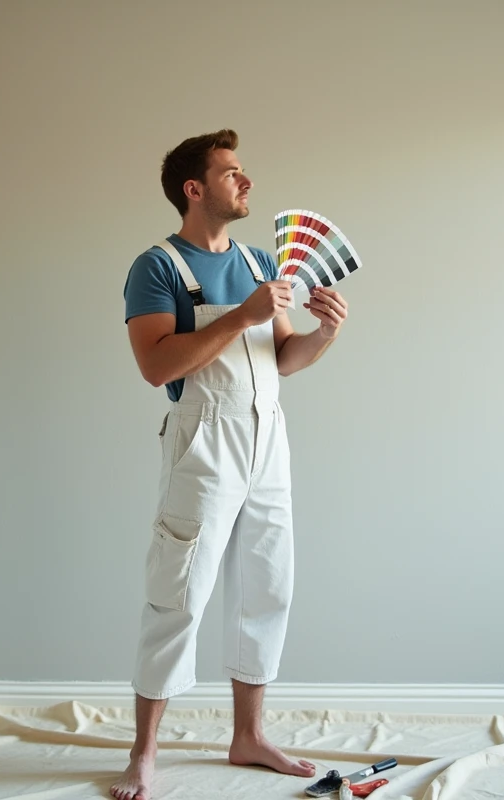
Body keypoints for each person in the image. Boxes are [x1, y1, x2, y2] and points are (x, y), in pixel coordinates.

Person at [111, 129, 350, 800]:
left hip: (268, 436)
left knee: (267, 584)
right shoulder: (156, 267)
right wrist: (237, 316)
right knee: (178, 589)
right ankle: (144, 751)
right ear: (195, 188)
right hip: (203, 441)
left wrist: (325, 333)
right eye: (231, 172)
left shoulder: (254, 260)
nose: (246, 182)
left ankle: (248, 736)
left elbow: (282, 360)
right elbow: (156, 365)